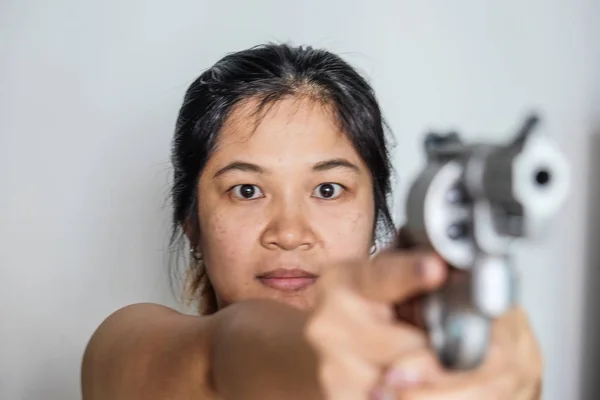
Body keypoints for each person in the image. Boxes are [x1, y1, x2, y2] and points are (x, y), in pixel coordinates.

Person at [81, 43, 542, 400]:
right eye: (247, 190)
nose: (289, 232)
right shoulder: (126, 349)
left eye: (327, 190)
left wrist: (501, 372)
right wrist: (321, 359)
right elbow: (224, 352)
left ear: (377, 215)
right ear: (191, 221)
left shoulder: (431, 360)